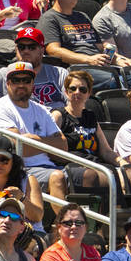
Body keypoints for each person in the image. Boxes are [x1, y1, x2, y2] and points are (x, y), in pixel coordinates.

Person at [38, 0, 131, 88]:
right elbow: (53, 51)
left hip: (100, 67)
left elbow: (99, 47)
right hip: (77, 69)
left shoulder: (82, 16)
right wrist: (88, 60)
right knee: (114, 82)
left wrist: (116, 59)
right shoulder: (49, 18)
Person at [0, 61, 69, 190]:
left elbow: (63, 147)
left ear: (32, 84)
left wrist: (33, 140)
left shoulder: (42, 109)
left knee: (93, 175)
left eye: (26, 80)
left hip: (51, 167)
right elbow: (18, 148)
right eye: (16, 80)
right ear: (8, 84)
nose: (21, 84)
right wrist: (49, 145)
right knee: (57, 177)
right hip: (20, 170)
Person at [47, 71, 120, 207]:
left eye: (83, 89)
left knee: (117, 174)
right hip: (71, 165)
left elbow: (106, 151)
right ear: (66, 92)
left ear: (89, 93)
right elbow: (51, 150)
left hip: (94, 163)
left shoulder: (90, 117)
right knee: (92, 175)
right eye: (73, 89)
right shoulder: (58, 116)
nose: (77, 92)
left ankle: (112, 217)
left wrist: (122, 163)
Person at [0, 135, 45, 232]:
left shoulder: (28, 180)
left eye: (4, 160)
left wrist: (21, 198)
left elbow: (37, 216)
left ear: (13, 161)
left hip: (29, 235)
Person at [37, 202, 107, 261]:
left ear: (85, 227)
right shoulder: (52, 257)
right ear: (59, 228)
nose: (74, 227)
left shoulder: (93, 253)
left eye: (79, 223)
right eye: (68, 223)